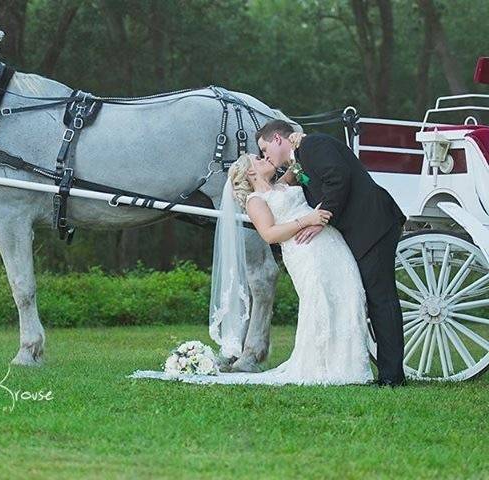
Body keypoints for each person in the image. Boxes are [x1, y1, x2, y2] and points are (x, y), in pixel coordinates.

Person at [129, 151, 375, 385]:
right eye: (258, 159)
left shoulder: (282, 185)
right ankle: (327, 367)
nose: (264, 157)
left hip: (330, 245)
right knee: (321, 302)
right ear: (249, 174)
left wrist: (297, 145)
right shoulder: (255, 201)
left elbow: (295, 163)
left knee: (349, 296)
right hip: (305, 252)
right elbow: (269, 234)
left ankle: (350, 364)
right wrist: (306, 220)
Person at [256, 120, 407, 386]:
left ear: (278, 138)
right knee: (374, 300)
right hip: (360, 232)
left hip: (374, 225)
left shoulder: (315, 144)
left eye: (265, 149)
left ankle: (392, 377)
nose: (265, 156)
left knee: (381, 300)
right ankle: (385, 372)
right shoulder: (300, 157)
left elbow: (338, 178)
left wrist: (319, 220)